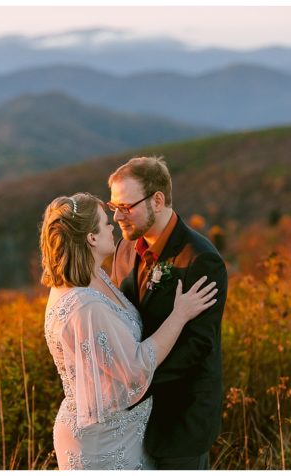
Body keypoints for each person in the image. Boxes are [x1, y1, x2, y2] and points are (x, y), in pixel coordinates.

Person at [40, 192, 218, 469]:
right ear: (91, 238)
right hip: (104, 441)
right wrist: (180, 314)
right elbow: (134, 369)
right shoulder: (85, 306)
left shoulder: (94, 277)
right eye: (104, 223)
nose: (113, 225)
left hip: (124, 431)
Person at [108, 156, 228, 470]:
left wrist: (136, 382)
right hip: (132, 419)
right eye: (113, 206)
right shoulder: (123, 248)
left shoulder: (200, 259)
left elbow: (199, 344)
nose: (118, 216)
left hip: (181, 418)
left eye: (126, 206)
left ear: (157, 200)